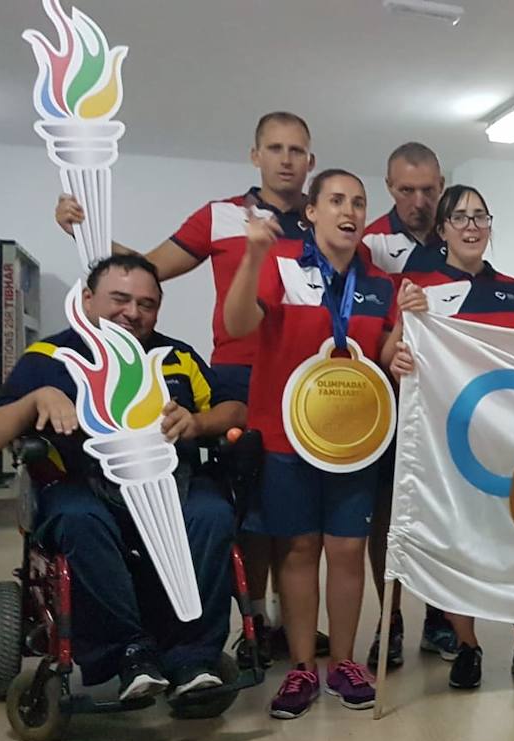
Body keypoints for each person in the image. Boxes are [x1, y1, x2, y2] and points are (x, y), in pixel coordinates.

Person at [55, 111, 320, 667]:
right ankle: (257, 619)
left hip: (306, 383)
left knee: (296, 511)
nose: (287, 159)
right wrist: (86, 232)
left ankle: (285, 620)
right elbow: (146, 268)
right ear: (256, 156)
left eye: (297, 150)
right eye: (275, 148)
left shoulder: (323, 221)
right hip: (240, 377)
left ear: (310, 161)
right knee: (246, 506)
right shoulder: (220, 216)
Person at [0, 255, 244, 700]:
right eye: (119, 299)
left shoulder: (175, 357)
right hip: (83, 489)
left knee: (213, 512)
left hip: (169, 485)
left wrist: (197, 424)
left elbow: (234, 410)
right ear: (87, 298)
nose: (133, 312)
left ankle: (192, 658)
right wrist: (36, 400)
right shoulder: (49, 358)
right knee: (80, 519)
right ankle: (127, 654)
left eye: (147, 303)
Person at [383, 184, 514, 690]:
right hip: (450, 447)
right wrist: (400, 347)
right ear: (443, 229)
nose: (471, 226)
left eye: (480, 217)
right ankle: (466, 645)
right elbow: (393, 352)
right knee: (460, 541)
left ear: (490, 227)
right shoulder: (418, 289)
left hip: (513, 442)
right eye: (460, 217)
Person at [224, 169, 398, 718]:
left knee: (346, 550)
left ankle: (343, 661)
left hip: (355, 440)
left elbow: (387, 357)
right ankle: (301, 666)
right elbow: (237, 323)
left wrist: (405, 336)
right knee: (298, 549)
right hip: (286, 438)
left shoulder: (380, 285)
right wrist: (252, 258)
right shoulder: (280, 269)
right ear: (313, 213)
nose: (349, 211)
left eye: (359, 202)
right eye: (337, 201)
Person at [362, 142, 459, 672]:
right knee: (389, 514)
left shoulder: (458, 235)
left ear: (441, 184)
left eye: (428, 189)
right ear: (389, 186)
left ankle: (442, 618)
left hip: (447, 403)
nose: (419, 200)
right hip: (390, 398)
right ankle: (390, 620)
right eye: (406, 190)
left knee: (444, 506)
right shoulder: (371, 243)